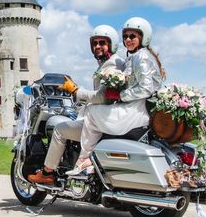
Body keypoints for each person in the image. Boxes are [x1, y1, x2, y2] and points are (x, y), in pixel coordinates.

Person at [65, 17, 165, 176]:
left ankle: (84, 158)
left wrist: (121, 94)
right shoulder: (137, 56)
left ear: (143, 37)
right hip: (137, 109)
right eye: (125, 36)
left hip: (135, 111)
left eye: (133, 36)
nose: (128, 40)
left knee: (91, 112)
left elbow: (146, 88)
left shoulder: (141, 57)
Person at [27, 25, 125, 184]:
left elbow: (103, 97)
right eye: (95, 43)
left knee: (59, 130)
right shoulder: (114, 61)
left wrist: (76, 91)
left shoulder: (111, 64)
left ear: (112, 44)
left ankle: (47, 173)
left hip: (102, 122)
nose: (97, 46)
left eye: (102, 42)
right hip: (108, 119)